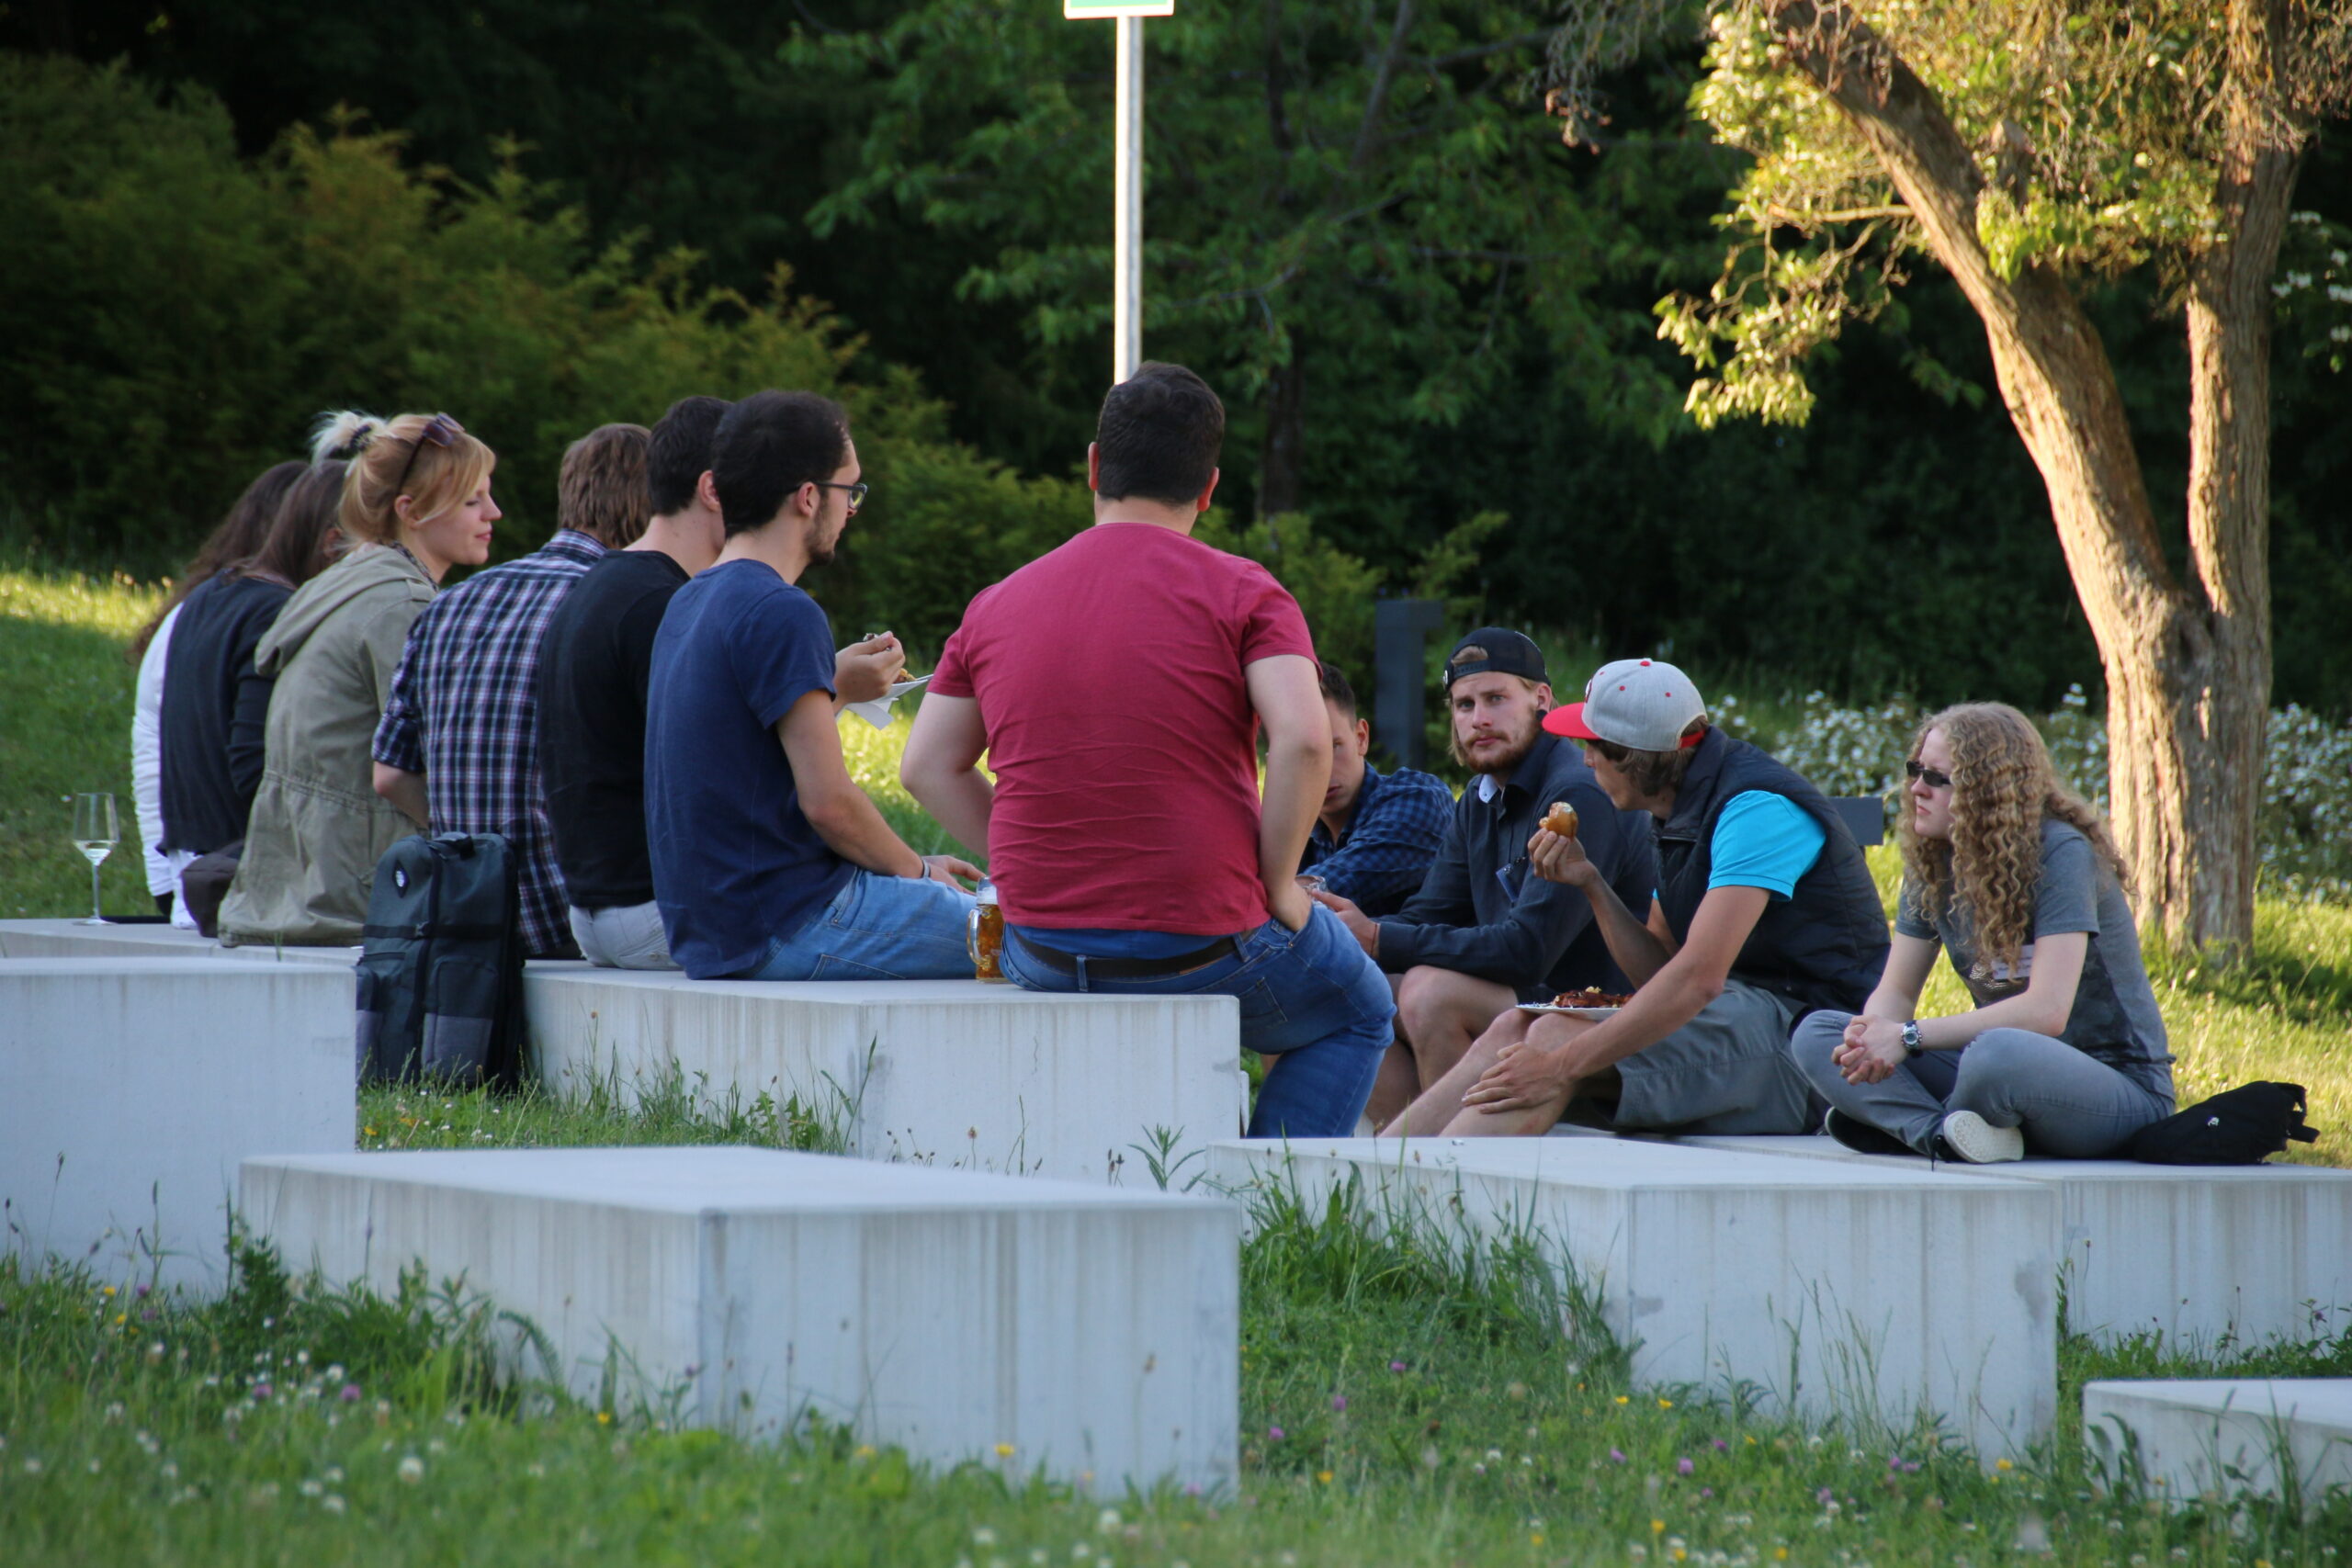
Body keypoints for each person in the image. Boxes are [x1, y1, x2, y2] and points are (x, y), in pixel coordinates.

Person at [901, 362, 1394, 1138]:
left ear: (1095, 465)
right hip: (1201, 941)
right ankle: (1269, 1216)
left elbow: (924, 765)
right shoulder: (1246, 591)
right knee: (1360, 1010)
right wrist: (1278, 886)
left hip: (1041, 946)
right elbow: (1303, 739)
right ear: (1209, 488)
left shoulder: (996, 602)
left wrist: (1038, 857)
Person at [1385, 657, 1888, 1139]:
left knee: (1554, 1040)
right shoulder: (1670, 807)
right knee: (1517, 1025)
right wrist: (1591, 884)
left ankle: (1439, 1208)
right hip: (1741, 1020)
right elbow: (1657, 970)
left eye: (1593, 747)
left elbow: (1697, 981)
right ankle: (1380, 1185)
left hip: (1815, 1045)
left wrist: (1558, 1068)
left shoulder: (1756, 810)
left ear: (1634, 755)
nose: (1583, 760)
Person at [644, 389, 971, 981]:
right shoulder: (780, 608)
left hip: (716, 931)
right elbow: (829, 805)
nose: (852, 509)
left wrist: (906, 864)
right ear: (809, 497)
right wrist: (920, 877)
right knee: (1028, 934)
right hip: (790, 922)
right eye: (851, 490)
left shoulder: (688, 600)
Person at [1789, 704, 2176, 1162]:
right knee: (1820, 1032)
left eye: (1936, 778)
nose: (1916, 788)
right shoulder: (1934, 858)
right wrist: (1869, 1041)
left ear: (1986, 793)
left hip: (2116, 1089)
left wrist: (1907, 1037)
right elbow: (1894, 993)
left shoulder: (2062, 853)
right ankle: (1937, 1135)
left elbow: (2047, 1012)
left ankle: (1901, 1122)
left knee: (1994, 1053)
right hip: (1998, 1079)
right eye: (1916, 770)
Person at [1313, 628, 1656, 1129]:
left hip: (1595, 1014)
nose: (1480, 719)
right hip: (1523, 1001)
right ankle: (1407, 1145)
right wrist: (1354, 937)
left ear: (1541, 699)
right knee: (1349, 984)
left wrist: (1379, 937)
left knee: (1431, 993)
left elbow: (1527, 951)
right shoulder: (1480, 794)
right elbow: (1429, 913)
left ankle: (1458, 1155)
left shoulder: (1576, 792)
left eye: (1496, 699)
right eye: (1464, 705)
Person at [370, 423, 652, 960]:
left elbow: (390, 774)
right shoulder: (622, 610)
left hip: (468, 924)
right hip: (577, 926)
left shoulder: (450, 604)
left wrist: (481, 848)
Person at [219, 412, 500, 946]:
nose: (494, 513)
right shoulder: (402, 604)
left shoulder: (340, 584)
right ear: (409, 511)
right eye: (472, 501)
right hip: (355, 900)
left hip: (291, 888)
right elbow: (415, 769)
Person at [536, 397, 732, 969]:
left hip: (599, 912)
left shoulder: (602, 585)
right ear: (714, 490)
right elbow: (734, 783)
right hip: (655, 911)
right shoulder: (661, 605)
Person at [156, 460, 349, 922]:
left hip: (197, 866)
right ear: (330, 542)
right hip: (244, 881)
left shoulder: (211, 592)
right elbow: (254, 767)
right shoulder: (277, 612)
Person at [128, 460, 306, 918]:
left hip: (196, 860)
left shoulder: (210, 603)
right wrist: (166, 878)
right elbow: (169, 753)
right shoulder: (250, 612)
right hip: (208, 862)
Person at [1295, 662, 1452, 917]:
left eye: (1334, 747)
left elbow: (1340, 879)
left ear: (1361, 738)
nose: (1323, 769)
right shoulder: (1295, 828)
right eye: (1306, 753)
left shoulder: (1419, 798)